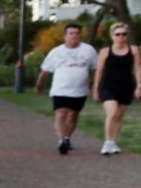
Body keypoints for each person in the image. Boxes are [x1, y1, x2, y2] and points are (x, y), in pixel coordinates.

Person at [34, 23, 97, 154]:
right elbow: (45, 71)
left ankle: (67, 138)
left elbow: (96, 69)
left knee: (73, 115)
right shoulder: (56, 52)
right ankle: (62, 140)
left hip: (80, 90)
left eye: (76, 33)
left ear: (80, 35)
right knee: (61, 112)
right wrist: (39, 85)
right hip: (60, 89)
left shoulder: (88, 50)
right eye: (71, 33)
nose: (74, 36)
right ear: (65, 36)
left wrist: (93, 86)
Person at [92, 22, 141, 154]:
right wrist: (95, 89)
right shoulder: (105, 52)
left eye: (124, 34)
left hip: (126, 86)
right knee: (112, 112)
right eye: (118, 34)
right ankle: (107, 143)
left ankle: (113, 142)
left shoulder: (134, 50)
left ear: (127, 35)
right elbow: (99, 71)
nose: (121, 36)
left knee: (119, 116)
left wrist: (139, 86)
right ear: (112, 36)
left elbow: (137, 69)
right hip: (108, 86)